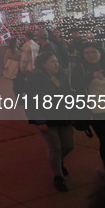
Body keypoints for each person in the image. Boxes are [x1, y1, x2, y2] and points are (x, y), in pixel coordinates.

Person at [71, 42, 105, 171]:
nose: (91, 55)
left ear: (100, 53)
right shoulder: (80, 68)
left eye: (94, 51)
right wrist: (91, 76)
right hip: (99, 111)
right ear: (83, 55)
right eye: (87, 53)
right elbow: (75, 85)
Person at [25, 52, 74, 192]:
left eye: (57, 61)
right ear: (43, 64)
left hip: (63, 117)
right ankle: (58, 176)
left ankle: (58, 162)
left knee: (69, 145)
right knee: (55, 147)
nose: (56, 64)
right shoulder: (36, 79)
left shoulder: (62, 77)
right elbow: (32, 102)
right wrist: (40, 121)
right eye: (53, 61)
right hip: (47, 118)